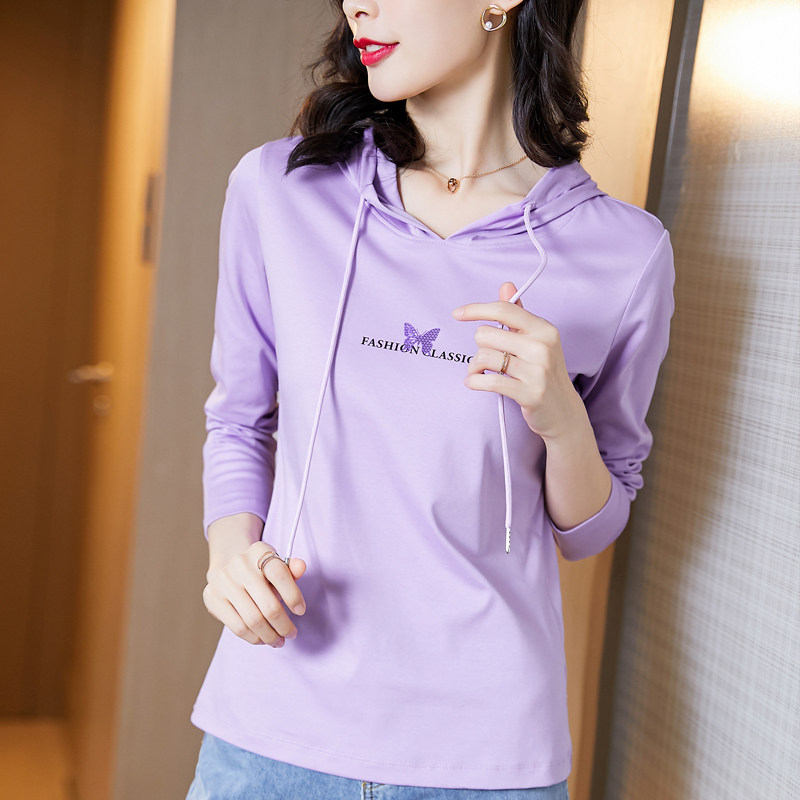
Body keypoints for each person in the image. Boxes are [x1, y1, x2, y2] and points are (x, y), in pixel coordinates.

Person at [186, 0, 674, 797]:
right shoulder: (280, 190)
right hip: (272, 729)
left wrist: (561, 421)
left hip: (483, 757)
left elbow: (594, 527)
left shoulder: (624, 253)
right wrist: (230, 557)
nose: (359, 5)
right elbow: (240, 417)